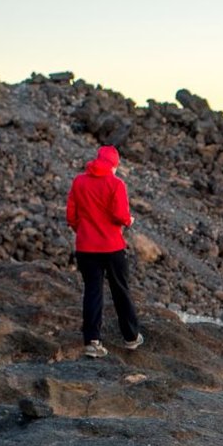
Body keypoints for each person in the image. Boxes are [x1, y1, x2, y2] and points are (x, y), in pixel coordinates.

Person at [65, 144, 143, 358]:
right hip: (112, 247)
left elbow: (71, 216)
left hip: (86, 247)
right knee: (120, 290)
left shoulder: (79, 182)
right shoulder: (116, 184)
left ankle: (92, 341)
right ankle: (131, 337)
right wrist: (129, 221)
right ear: (114, 165)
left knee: (92, 291)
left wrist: (82, 230)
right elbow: (119, 215)